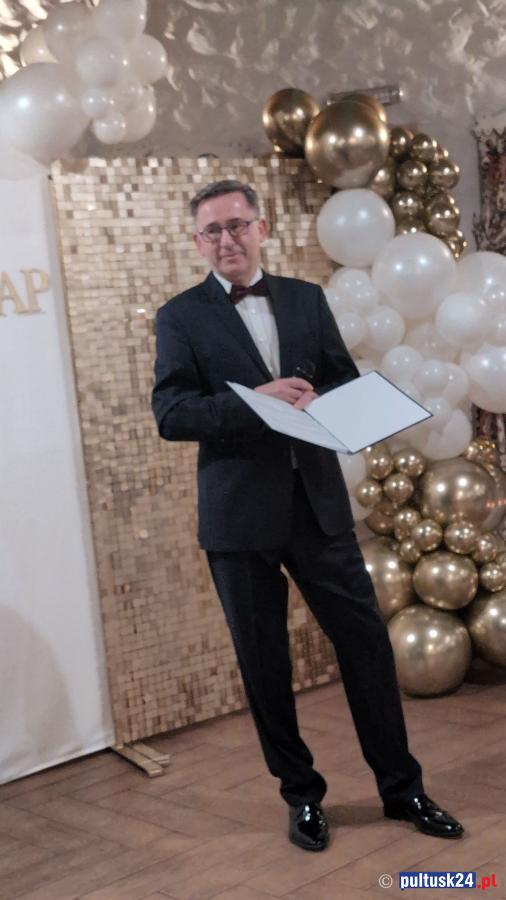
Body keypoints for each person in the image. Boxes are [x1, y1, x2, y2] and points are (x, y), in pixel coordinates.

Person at [151, 179, 464, 851]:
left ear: (261, 228)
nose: (227, 239)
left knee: (367, 647)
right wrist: (254, 400)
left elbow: (341, 376)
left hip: (318, 506)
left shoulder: (304, 298)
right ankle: (302, 797)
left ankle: (403, 788)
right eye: (213, 230)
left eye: (238, 224)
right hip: (238, 521)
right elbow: (171, 414)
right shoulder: (179, 317)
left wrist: (337, 402)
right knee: (265, 665)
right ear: (198, 242)